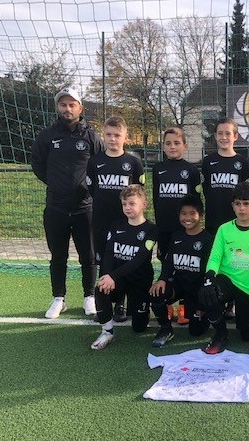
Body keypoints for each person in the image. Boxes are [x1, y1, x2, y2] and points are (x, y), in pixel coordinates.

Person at [31, 87, 104, 319]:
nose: (67, 109)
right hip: (56, 207)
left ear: (80, 108)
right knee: (58, 256)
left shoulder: (91, 137)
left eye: (72, 104)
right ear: (58, 107)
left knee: (88, 256)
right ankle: (58, 298)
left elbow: (101, 165)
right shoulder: (47, 136)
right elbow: (37, 164)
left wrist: (87, 189)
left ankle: (89, 296)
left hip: (85, 207)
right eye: (63, 104)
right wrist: (55, 183)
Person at [198, 181, 249, 354]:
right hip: (227, 279)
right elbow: (215, 257)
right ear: (232, 206)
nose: (242, 208)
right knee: (207, 293)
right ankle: (221, 333)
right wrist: (209, 276)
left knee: (247, 335)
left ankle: (246, 312)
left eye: (246, 204)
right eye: (238, 204)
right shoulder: (224, 229)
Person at [86, 115, 144, 323]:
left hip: (125, 222)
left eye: (117, 135)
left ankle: (120, 303)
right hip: (101, 221)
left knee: (123, 260)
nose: (112, 139)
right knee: (104, 262)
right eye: (109, 135)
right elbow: (92, 189)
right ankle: (104, 306)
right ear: (103, 136)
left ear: (125, 137)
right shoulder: (95, 162)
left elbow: (138, 193)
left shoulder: (133, 163)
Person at [90, 184, 158, 350]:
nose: (127, 207)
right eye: (124, 204)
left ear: (144, 204)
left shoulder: (151, 230)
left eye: (132, 203)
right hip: (119, 280)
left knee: (139, 328)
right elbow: (108, 253)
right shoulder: (116, 226)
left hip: (139, 281)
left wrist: (113, 276)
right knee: (101, 287)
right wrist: (108, 276)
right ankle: (107, 332)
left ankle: (142, 309)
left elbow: (139, 259)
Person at [201, 117, 249, 319]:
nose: (224, 137)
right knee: (216, 261)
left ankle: (234, 301)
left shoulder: (242, 163)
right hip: (214, 221)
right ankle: (216, 299)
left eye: (228, 133)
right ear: (215, 136)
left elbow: (246, 194)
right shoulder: (208, 162)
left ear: (235, 136)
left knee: (235, 260)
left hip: (236, 224)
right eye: (220, 133)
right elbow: (206, 190)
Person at [149, 195, 213, 347]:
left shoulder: (207, 239)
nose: (188, 218)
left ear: (200, 215)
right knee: (156, 293)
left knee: (196, 331)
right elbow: (170, 262)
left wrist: (202, 305)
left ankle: (205, 313)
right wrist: (162, 279)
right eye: (184, 213)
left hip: (197, 289)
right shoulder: (176, 235)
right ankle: (166, 329)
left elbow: (209, 271)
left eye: (192, 213)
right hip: (179, 284)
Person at [152, 127, 201, 325]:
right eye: (168, 143)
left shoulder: (192, 170)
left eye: (177, 143)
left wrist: (193, 225)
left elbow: (196, 201)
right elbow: (156, 198)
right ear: (163, 147)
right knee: (166, 261)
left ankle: (184, 305)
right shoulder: (158, 169)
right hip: (164, 227)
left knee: (185, 265)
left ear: (184, 146)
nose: (172, 147)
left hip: (184, 228)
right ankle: (166, 303)